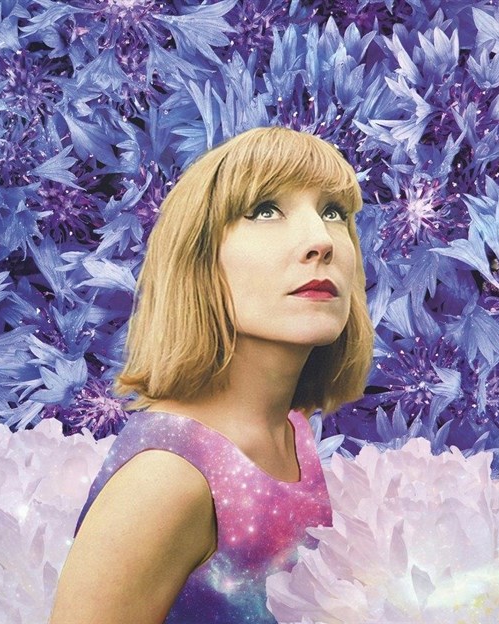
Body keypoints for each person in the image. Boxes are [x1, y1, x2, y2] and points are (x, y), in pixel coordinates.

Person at [49, 126, 373, 623]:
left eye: (334, 213)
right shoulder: (165, 480)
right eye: (265, 210)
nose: (321, 241)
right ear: (199, 260)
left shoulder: (290, 430)